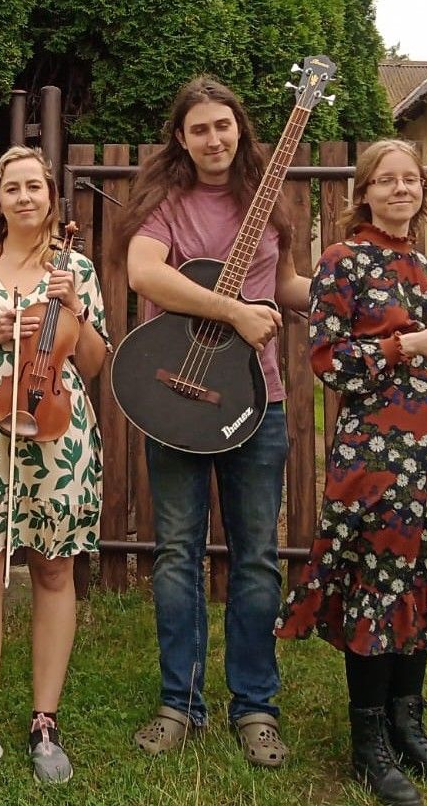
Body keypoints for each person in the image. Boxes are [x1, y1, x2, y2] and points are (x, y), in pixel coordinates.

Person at [275, 139, 427, 806]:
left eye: (411, 179)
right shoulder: (343, 262)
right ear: (363, 191)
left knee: (424, 573)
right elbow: (329, 360)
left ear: (425, 189)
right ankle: (367, 741)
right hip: (377, 451)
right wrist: (408, 342)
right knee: (378, 576)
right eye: (386, 180)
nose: (401, 188)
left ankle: (407, 725)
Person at [122, 76, 310, 768]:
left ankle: (255, 705)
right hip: (176, 394)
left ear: (241, 128)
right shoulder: (164, 203)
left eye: (222, 126)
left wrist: (345, 295)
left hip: (258, 399)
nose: (213, 139)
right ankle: (181, 701)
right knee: (177, 552)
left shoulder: (270, 200)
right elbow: (146, 275)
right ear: (181, 137)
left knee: (257, 556)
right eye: (198, 128)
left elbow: (284, 285)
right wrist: (230, 310)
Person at [0, 146, 110, 788]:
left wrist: (75, 308)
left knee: (54, 567)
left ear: (50, 197)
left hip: (57, 431)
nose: (25, 197)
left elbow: (91, 363)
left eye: (36, 186)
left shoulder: (76, 269)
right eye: (13, 188)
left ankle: (44, 719)